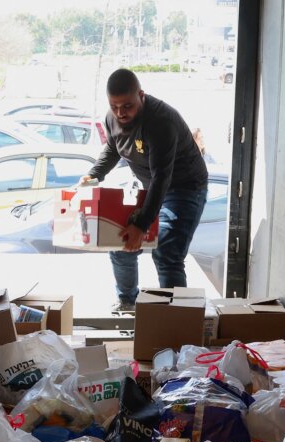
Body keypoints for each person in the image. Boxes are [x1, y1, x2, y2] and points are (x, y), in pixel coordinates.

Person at [81, 68, 209, 312]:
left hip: (184, 188)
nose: (120, 113)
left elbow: (163, 176)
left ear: (141, 95)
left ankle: (176, 320)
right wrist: (93, 175)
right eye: (114, 106)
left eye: (127, 106)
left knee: (167, 252)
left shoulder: (160, 122)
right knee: (120, 242)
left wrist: (141, 225)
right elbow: (113, 148)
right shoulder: (112, 117)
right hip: (152, 188)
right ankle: (128, 303)